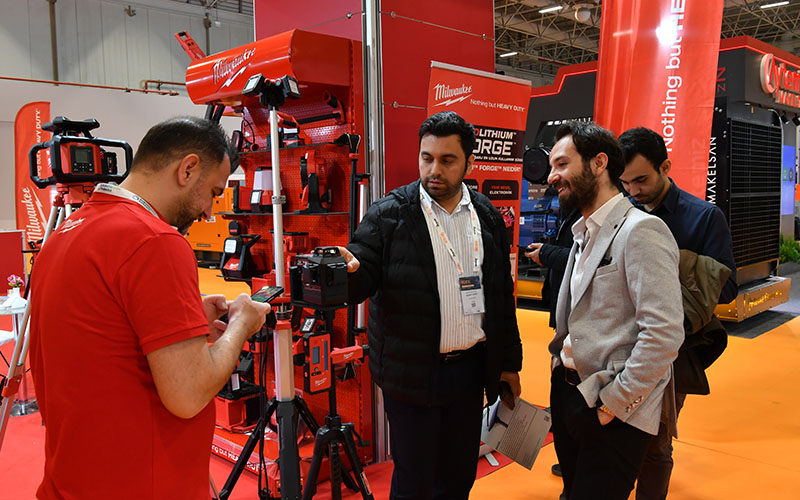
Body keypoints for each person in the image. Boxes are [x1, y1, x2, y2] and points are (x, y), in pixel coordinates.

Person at [29, 116, 271, 500]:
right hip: (143, 482)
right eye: (212, 192)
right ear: (187, 169)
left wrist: (185, 319)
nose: (209, 212)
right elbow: (188, 394)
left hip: (74, 477)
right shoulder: (154, 240)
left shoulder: (66, 233)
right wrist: (242, 324)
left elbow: (99, 334)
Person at [338, 111, 522, 500]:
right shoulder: (389, 214)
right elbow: (362, 270)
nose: (434, 170)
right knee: (414, 483)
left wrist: (509, 363)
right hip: (412, 373)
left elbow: (501, 296)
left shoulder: (487, 215)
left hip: (470, 372)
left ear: (469, 163)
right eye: (427, 158)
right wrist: (347, 271)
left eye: (447, 160)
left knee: (458, 478)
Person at [546, 121, 684, 500]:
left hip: (610, 408)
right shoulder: (582, 232)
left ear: (598, 163)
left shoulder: (642, 230)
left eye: (562, 164)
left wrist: (614, 404)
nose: (552, 176)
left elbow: (664, 333)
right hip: (569, 393)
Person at [618, 127, 737, 500]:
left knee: (656, 442)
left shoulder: (704, 217)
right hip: (618, 341)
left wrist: (675, 269)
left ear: (665, 167)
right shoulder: (622, 211)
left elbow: (728, 288)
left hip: (672, 351)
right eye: (625, 183)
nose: (633, 191)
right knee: (613, 434)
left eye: (641, 180)